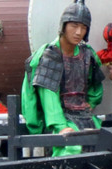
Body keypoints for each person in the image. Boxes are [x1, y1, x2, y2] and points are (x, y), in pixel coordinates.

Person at [22, 1, 104, 157]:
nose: (79, 32)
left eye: (83, 27)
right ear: (64, 25)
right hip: (58, 119)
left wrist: (91, 103)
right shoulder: (50, 56)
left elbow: (96, 87)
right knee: (72, 147)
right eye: (74, 25)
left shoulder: (87, 54)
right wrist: (60, 126)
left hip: (85, 116)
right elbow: (49, 99)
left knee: (105, 142)